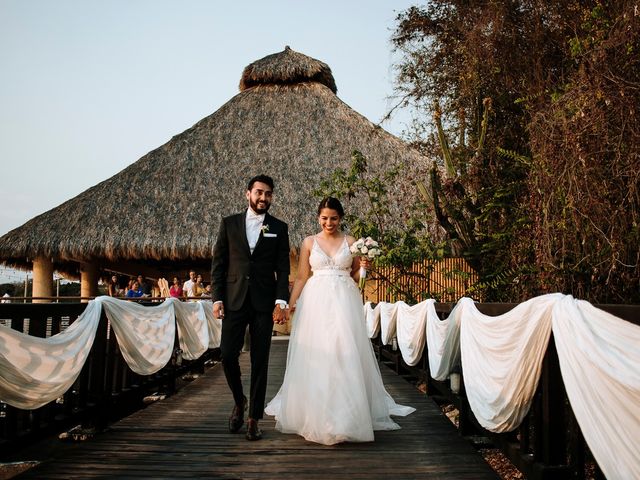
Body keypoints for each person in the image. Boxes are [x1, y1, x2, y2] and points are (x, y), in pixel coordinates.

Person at [265, 197, 415, 445]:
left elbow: (357, 277)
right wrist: (288, 305)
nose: (329, 222)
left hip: (345, 302)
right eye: (324, 218)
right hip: (315, 304)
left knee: (344, 351)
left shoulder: (352, 242)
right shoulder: (309, 242)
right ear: (318, 218)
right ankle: (318, 414)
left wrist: (365, 266)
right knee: (320, 353)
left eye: (333, 218)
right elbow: (302, 277)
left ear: (340, 218)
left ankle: (347, 415)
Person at [211, 174, 290, 441]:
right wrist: (217, 299)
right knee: (227, 354)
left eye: (268, 194)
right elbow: (219, 265)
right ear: (248, 193)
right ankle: (239, 400)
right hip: (234, 300)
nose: (263, 198)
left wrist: (280, 302)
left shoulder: (279, 227)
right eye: (259, 192)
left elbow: (283, 267)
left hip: (263, 303)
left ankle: (254, 418)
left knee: (260, 361)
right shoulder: (229, 224)